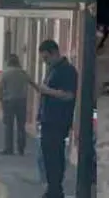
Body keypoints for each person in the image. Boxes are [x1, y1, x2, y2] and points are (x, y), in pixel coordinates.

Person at [29, 40, 76, 198]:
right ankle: (52, 188)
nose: (45, 62)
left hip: (58, 121)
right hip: (47, 120)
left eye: (46, 58)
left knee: (55, 156)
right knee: (47, 156)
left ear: (55, 52)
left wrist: (46, 90)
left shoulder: (67, 71)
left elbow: (69, 95)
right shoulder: (52, 70)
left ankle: (56, 189)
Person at [0, 54, 30, 156]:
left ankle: (9, 148)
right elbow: (31, 82)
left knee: (9, 126)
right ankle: (21, 148)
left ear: (8, 62)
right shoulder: (23, 73)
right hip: (21, 101)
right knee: (21, 126)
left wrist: (1, 100)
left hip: (8, 101)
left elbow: (0, 88)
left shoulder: (5, 73)